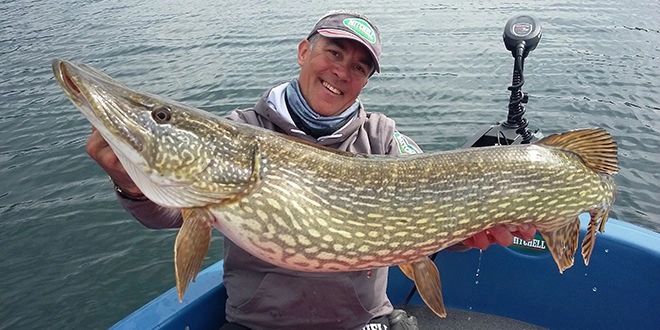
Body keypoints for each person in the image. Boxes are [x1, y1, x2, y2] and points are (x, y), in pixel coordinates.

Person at [87, 10, 536, 330]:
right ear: (304, 51)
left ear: (365, 81)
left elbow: (430, 217)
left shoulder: (383, 140)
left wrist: (467, 233)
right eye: (334, 54)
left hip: (364, 321)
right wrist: (130, 181)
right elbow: (169, 211)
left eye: (358, 67)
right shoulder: (242, 129)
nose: (342, 72)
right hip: (260, 324)